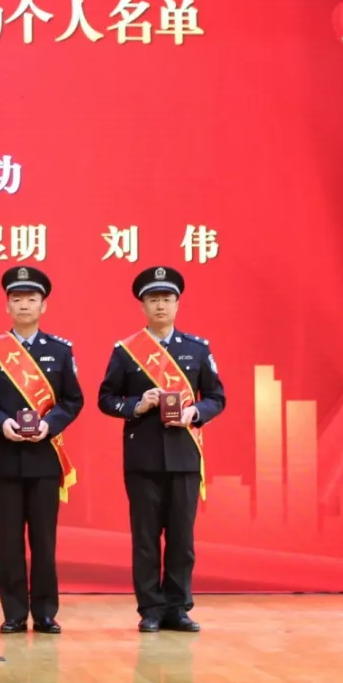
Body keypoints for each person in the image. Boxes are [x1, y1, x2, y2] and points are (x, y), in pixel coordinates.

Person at [97, 266, 225, 633]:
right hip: (143, 457)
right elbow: (106, 398)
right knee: (146, 538)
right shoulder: (126, 351)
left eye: (167, 299)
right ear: (142, 306)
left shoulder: (197, 349)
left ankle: (178, 608)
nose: (160, 306)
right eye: (153, 300)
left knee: (182, 538)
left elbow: (216, 397)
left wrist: (194, 413)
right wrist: (137, 405)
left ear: (177, 304)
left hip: (184, 455)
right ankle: (151, 608)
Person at [0, 266, 84, 634]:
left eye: (31, 299)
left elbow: (73, 400)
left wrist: (51, 425)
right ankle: (14, 612)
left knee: (44, 540)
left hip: (45, 458)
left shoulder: (60, 350)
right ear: (7, 305)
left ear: (43, 305)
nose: (23, 305)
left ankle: (45, 612)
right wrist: (1, 424)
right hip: (4, 456)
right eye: (16, 299)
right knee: (9, 541)